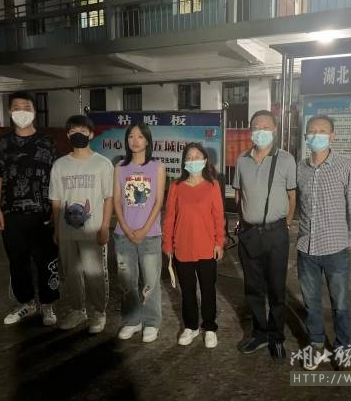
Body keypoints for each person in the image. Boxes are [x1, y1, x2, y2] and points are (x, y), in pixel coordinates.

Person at [296, 115, 351, 371]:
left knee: (341, 304)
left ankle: (343, 349)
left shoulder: (345, 166)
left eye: (322, 131)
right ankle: (316, 345)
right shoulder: (300, 168)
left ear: (332, 136)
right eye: (312, 131)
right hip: (306, 248)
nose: (316, 135)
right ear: (306, 136)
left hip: (336, 248)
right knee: (311, 303)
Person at [0, 91, 60, 326]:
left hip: (43, 214)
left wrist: (56, 212)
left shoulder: (47, 144)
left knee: (46, 259)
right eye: (17, 107)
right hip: (11, 214)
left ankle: (48, 304)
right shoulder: (2, 144)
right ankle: (26, 303)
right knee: (17, 261)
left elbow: (57, 180)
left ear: (34, 112)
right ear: (10, 112)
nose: (21, 112)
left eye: (26, 107)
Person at [233, 110, 296, 362]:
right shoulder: (242, 159)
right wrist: (245, 221)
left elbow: (292, 196)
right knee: (253, 288)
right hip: (250, 233)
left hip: (276, 233)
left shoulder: (286, 159)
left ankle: (276, 337)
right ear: (250, 131)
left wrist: (285, 225)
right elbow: (238, 194)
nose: (260, 131)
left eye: (265, 126)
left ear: (275, 130)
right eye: (255, 127)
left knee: (277, 289)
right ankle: (259, 334)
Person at [49, 114, 114, 334]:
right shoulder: (60, 165)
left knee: (94, 274)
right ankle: (78, 310)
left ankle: (98, 312)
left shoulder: (102, 164)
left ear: (91, 134)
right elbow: (56, 200)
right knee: (71, 274)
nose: (79, 135)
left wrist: (104, 227)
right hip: (67, 231)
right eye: (74, 131)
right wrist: (57, 229)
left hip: (93, 230)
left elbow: (108, 198)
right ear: (68, 135)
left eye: (83, 131)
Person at [162, 142, 225, 348]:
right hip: (182, 248)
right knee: (187, 291)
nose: (193, 160)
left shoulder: (213, 185)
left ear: (205, 160)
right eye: (189, 157)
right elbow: (169, 217)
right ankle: (191, 326)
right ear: (184, 162)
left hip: (207, 248)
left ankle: (209, 327)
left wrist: (219, 242)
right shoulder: (176, 186)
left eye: (197, 156)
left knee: (208, 290)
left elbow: (218, 216)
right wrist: (168, 244)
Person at [113, 122, 166, 343]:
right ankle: (132, 321)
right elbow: (117, 201)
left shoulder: (157, 167)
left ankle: (151, 323)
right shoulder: (120, 167)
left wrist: (144, 229)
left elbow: (158, 202)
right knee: (127, 281)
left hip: (150, 234)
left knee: (151, 282)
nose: (135, 141)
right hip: (123, 234)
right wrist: (126, 228)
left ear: (147, 141)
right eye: (131, 136)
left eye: (140, 137)